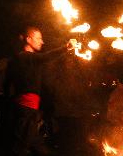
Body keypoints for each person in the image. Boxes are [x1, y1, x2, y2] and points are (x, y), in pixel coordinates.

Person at [6, 26, 76, 156]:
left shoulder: (29, 60)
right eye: (39, 38)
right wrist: (66, 47)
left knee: (37, 145)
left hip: (29, 108)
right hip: (26, 107)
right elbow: (46, 57)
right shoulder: (24, 57)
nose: (42, 42)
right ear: (28, 39)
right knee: (21, 147)